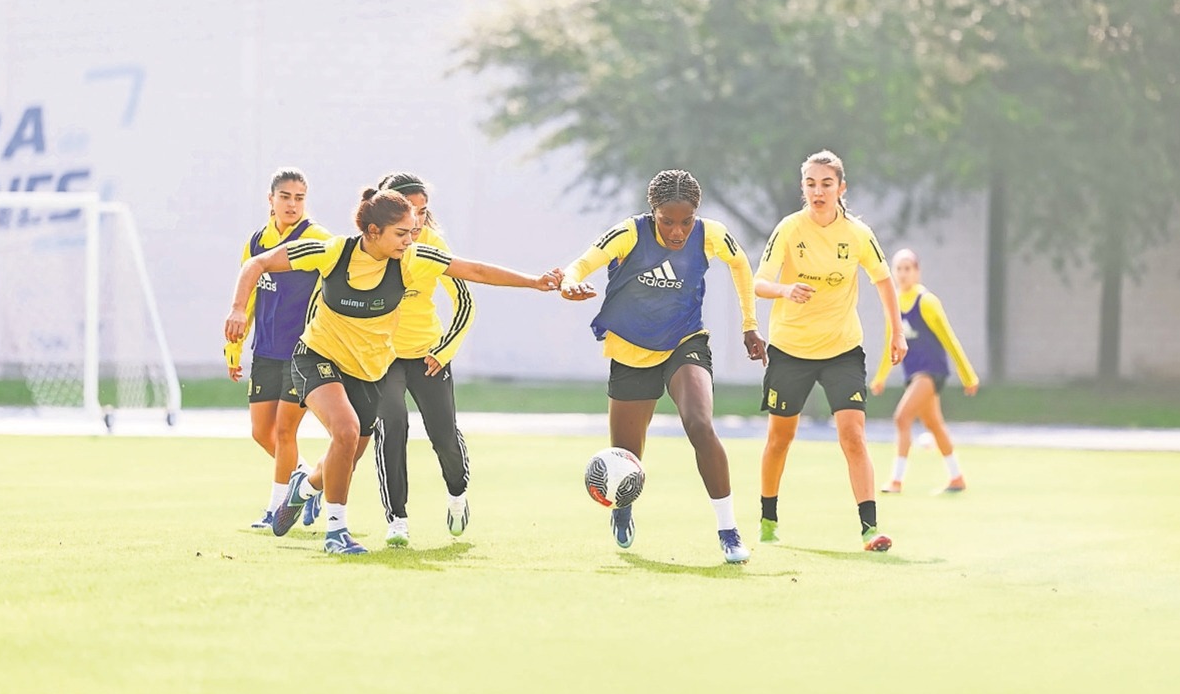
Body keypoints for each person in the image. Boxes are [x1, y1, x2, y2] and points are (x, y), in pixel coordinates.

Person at [224, 187, 561, 555]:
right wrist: (239, 309)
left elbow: (475, 270)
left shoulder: (413, 259)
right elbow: (256, 264)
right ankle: (336, 532)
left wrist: (534, 282)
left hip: (369, 370)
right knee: (346, 429)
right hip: (317, 356)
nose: (410, 239)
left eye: (413, 231)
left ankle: (305, 487)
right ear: (372, 232)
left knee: (346, 454)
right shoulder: (333, 251)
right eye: (402, 233)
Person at [560, 169, 766, 564]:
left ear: (696, 215)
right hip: (630, 351)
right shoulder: (628, 233)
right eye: (667, 221)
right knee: (626, 454)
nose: (677, 231)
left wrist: (750, 325)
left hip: (684, 342)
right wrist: (570, 283)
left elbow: (740, 266)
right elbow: (581, 264)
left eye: (685, 221)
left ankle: (728, 530)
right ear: (652, 212)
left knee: (701, 425)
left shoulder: (711, 234)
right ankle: (622, 507)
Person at [753, 150, 907, 552]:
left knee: (853, 434)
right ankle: (768, 520)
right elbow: (760, 283)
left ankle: (870, 529)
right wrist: (786, 289)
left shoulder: (857, 234)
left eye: (826, 183)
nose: (818, 191)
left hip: (842, 349)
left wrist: (897, 333)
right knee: (780, 438)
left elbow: (884, 280)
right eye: (810, 183)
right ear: (803, 188)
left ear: (841, 188)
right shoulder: (789, 229)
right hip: (791, 348)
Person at [371, 172, 476, 547]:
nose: (415, 219)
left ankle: (458, 494)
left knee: (444, 435)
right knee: (392, 427)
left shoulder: (433, 245)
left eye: (422, 210)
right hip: (384, 359)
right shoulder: (371, 246)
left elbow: (464, 301)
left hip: (428, 355)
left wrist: (443, 351)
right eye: (408, 210)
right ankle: (396, 519)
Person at [224, 168, 331, 530]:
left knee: (286, 432)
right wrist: (234, 348)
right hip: (265, 351)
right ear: (270, 199)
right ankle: (305, 477)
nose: (292, 204)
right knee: (261, 432)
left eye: (299, 198)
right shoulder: (256, 242)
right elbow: (249, 296)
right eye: (285, 196)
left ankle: (275, 508)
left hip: (302, 355)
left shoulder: (317, 239)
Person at [870, 248, 979, 493]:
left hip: (931, 371)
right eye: (898, 269)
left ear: (917, 271)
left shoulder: (927, 301)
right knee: (934, 425)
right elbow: (892, 342)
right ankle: (956, 478)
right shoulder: (895, 303)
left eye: (908, 268)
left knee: (902, 417)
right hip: (913, 373)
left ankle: (896, 481)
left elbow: (949, 339)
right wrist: (880, 378)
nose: (903, 274)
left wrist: (967, 375)